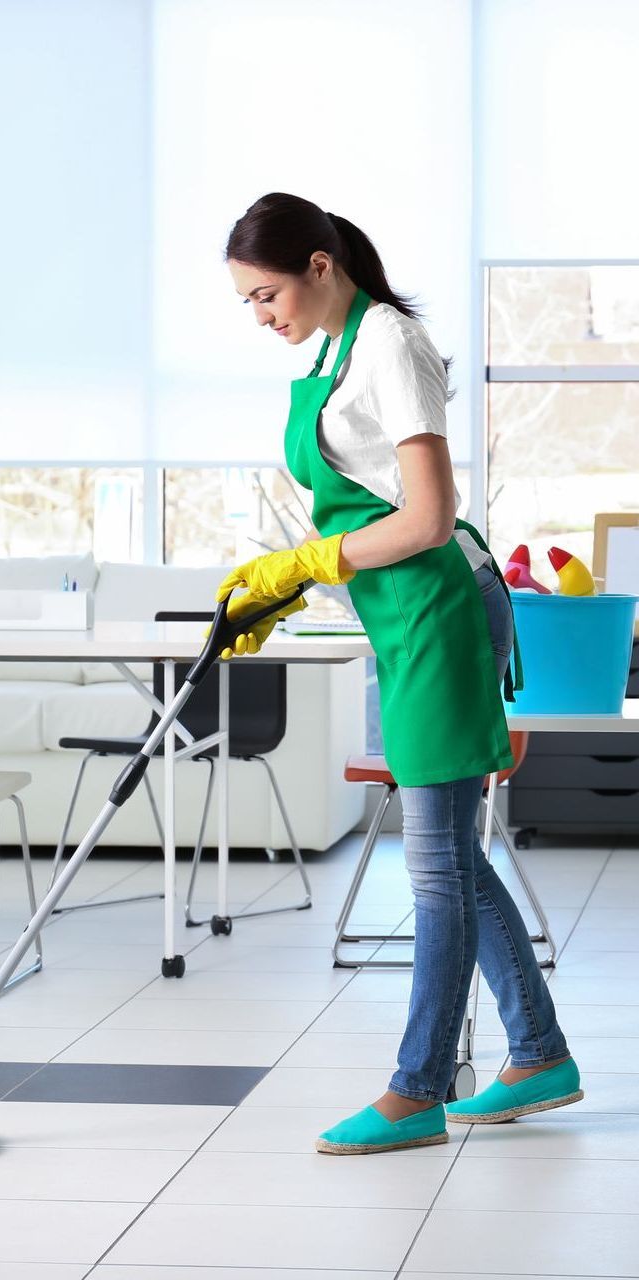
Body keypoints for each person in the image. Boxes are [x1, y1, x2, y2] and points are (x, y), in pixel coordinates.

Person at [220, 193, 580, 1155]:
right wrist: (291, 585)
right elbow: (362, 509)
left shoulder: (390, 343)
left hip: (444, 608)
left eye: (267, 294)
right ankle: (539, 1051)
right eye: (248, 301)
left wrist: (309, 562)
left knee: (433, 866)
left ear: (320, 266)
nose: (261, 316)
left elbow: (425, 517)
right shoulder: (326, 355)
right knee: (448, 855)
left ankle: (418, 1089)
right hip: (401, 612)